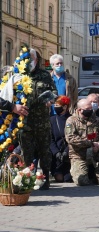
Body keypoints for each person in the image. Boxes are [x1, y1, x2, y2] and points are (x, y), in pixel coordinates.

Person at [19, 48, 58, 190]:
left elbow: (54, 92)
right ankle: (26, 180)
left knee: (44, 151)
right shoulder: (18, 75)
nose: (29, 61)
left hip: (42, 121)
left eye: (32, 58)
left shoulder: (44, 75)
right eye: (26, 58)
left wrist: (50, 100)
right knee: (26, 152)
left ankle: (45, 178)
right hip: (24, 121)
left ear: (37, 60)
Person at [65, 99, 99, 186]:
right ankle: (84, 173)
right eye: (88, 108)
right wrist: (90, 144)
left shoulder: (96, 120)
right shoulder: (71, 120)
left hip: (95, 151)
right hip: (79, 154)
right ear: (79, 109)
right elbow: (71, 138)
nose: (90, 110)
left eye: (91, 108)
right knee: (82, 182)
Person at [50, 96, 72, 182]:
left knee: (68, 178)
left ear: (65, 107)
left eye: (57, 105)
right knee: (59, 178)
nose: (55, 107)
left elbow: (73, 138)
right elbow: (50, 139)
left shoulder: (71, 119)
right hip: (56, 155)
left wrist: (66, 151)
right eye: (54, 105)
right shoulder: (52, 120)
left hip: (69, 153)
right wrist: (56, 153)